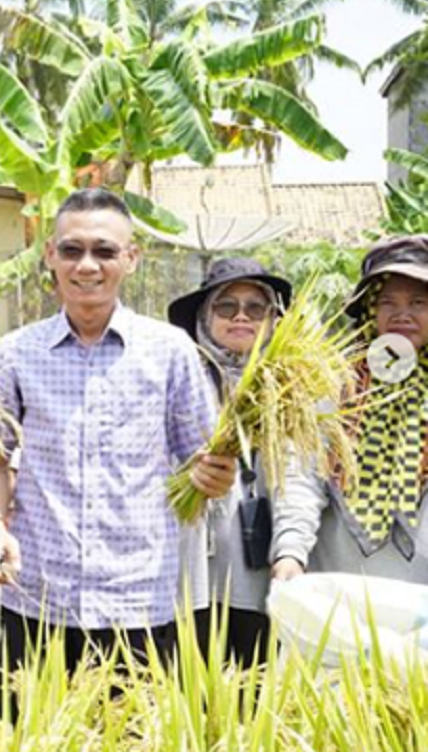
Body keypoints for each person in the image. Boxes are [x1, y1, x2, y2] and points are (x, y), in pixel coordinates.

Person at [0, 188, 236, 678]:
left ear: (131, 259)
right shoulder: (16, 352)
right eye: (72, 250)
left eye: (105, 251)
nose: (87, 266)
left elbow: (202, 464)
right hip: (38, 599)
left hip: (140, 601)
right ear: (50, 255)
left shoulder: (170, 351)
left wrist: (216, 474)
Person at [273, 236, 428, 583]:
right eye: (387, 302)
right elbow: (301, 474)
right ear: (370, 309)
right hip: (340, 587)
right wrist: (290, 552)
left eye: (418, 302)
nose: (402, 314)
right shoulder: (332, 384)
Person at [167, 258, 293, 666]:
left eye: (256, 308)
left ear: (275, 319)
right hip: (188, 571)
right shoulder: (178, 378)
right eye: (226, 306)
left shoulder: (293, 386)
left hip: (261, 574)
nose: (241, 316)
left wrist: (291, 552)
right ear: (205, 316)